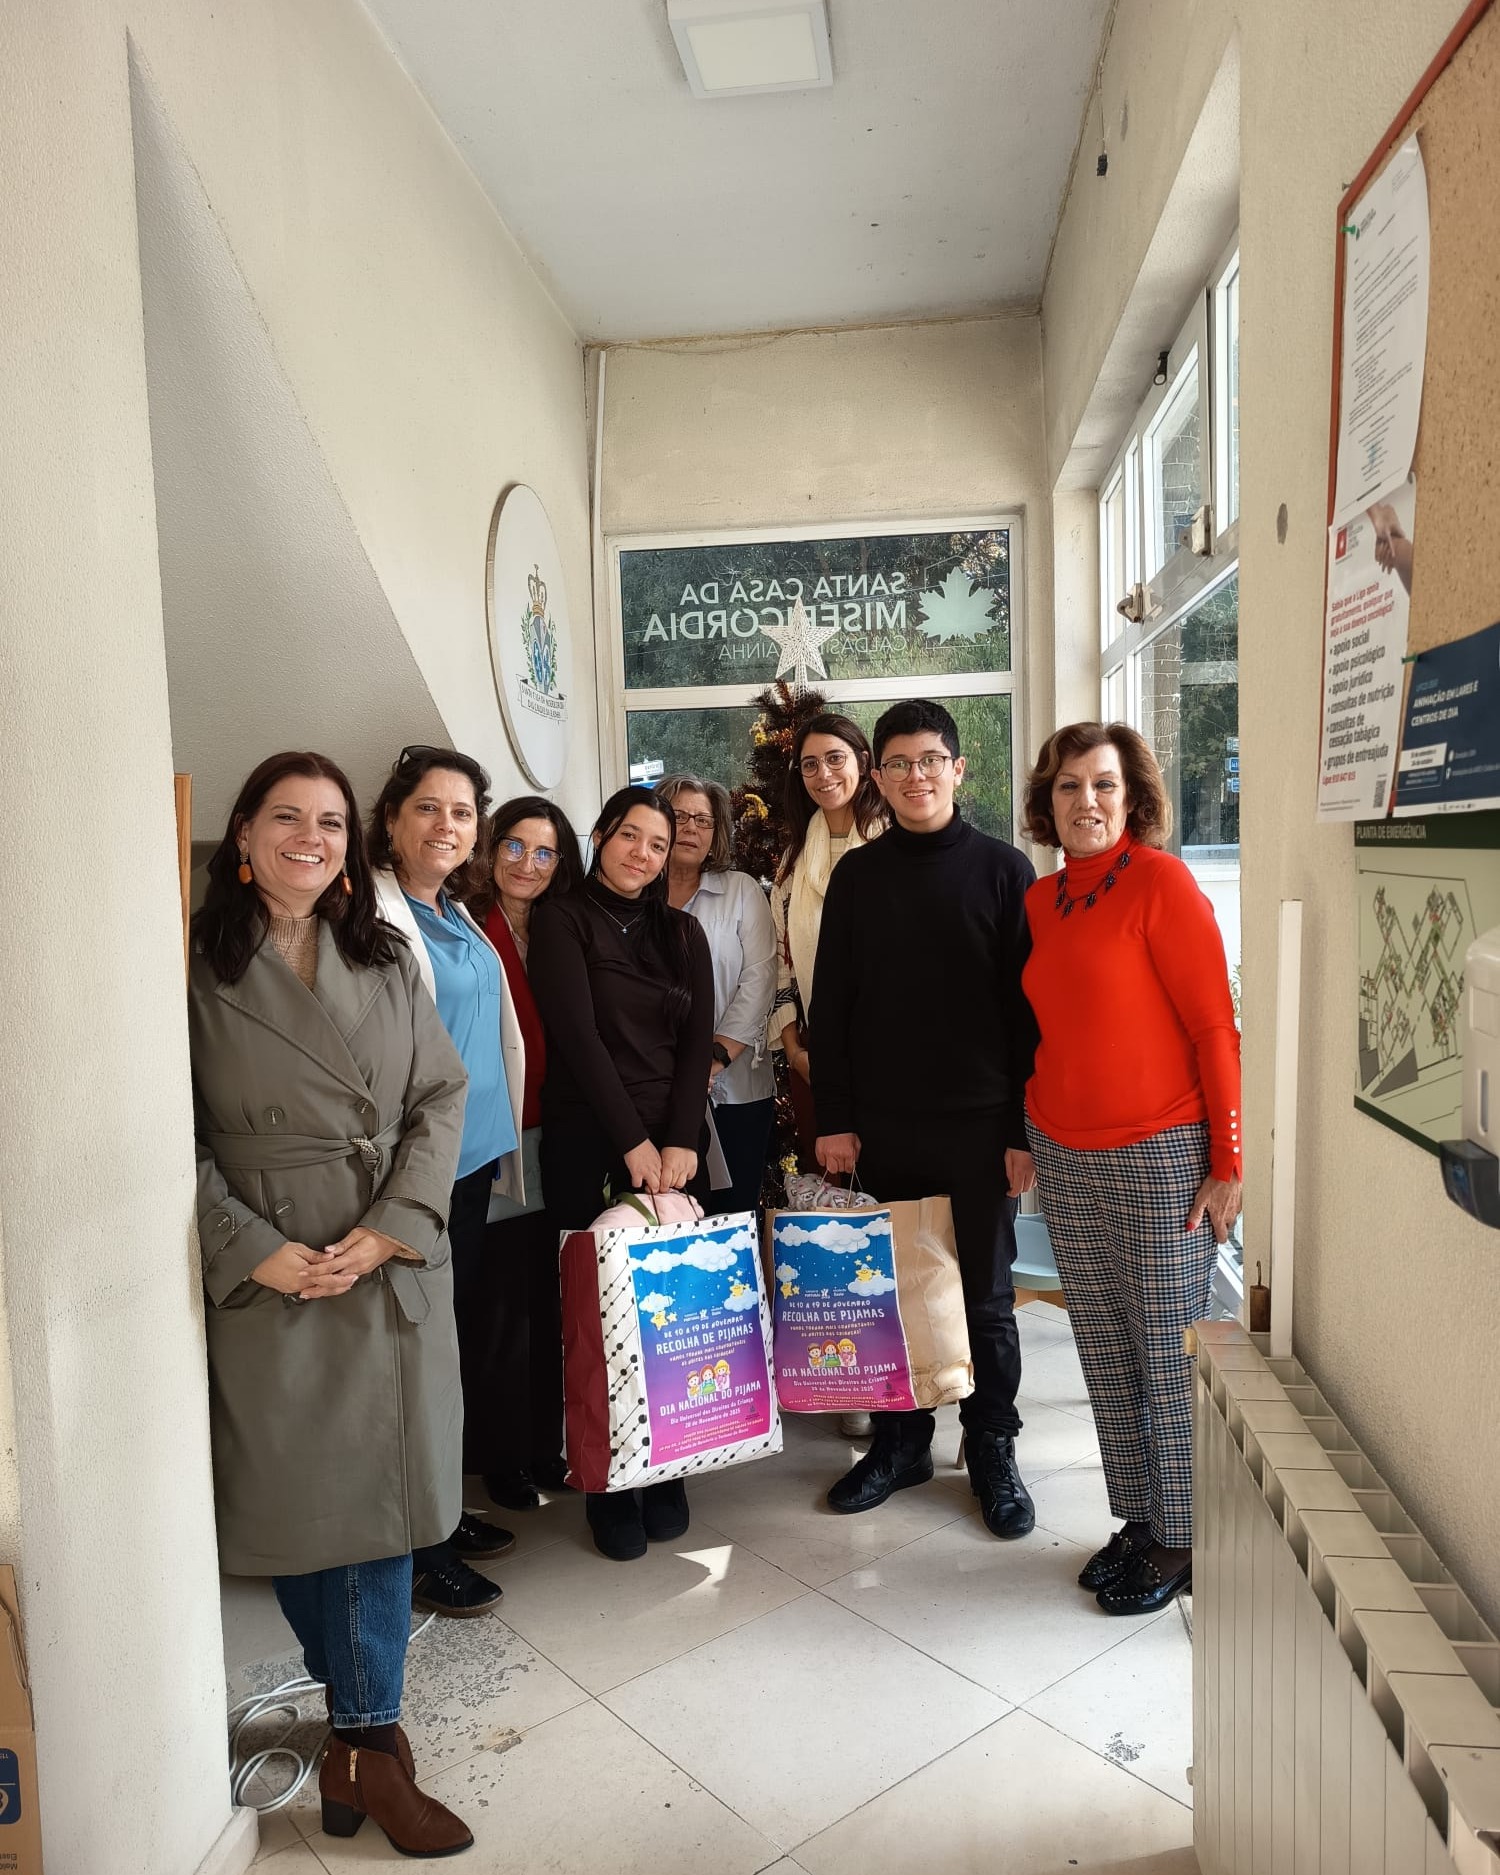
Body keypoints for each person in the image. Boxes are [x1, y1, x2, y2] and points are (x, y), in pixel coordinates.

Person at [189, 751, 473, 1856]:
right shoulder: (192, 966)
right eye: (287, 817)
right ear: (245, 834)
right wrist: (252, 1248)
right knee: (308, 1516)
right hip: (279, 1272)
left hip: (384, 1261)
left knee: (382, 1511)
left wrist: (395, 1222)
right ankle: (365, 1740)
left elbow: (439, 1092)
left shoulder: (382, 953)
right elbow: (167, 1133)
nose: (311, 837)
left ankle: (365, 1739)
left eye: (332, 821)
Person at [1021, 721, 1242, 1615]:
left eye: (1104, 784)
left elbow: (1214, 1027)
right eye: (1069, 785)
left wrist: (1229, 1159)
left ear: (1133, 796)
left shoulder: (1162, 882)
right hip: (1064, 1152)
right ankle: (1141, 1518)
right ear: (1048, 801)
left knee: (1164, 1350)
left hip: (1160, 1153)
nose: (1087, 801)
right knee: (1106, 1350)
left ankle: (1185, 1538)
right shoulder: (1042, 901)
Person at [811, 699, 1040, 1540]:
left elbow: (1029, 1015)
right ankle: (902, 1442)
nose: (917, 776)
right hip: (883, 1127)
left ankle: (992, 1445)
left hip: (981, 1125)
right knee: (890, 1293)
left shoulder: (1005, 870)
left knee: (987, 1298)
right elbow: (831, 1005)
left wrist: (1021, 1130)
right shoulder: (858, 877)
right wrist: (835, 1118)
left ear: (958, 768)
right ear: (878, 776)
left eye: (931, 759)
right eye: (900, 762)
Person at [528, 786, 714, 1562]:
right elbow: (578, 1038)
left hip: (673, 1151)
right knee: (596, 1322)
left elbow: (696, 1041)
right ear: (601, 835)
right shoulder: (562, 919)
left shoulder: (683, 931)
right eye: (630, 835)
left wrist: (681, 1141)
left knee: (671, 1314)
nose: (643, 852)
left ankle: (667, 1464)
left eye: (658, 843)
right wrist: (632, 1142)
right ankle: (608, 1480)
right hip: (590, 1139)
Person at [369, 745, 520, 1618]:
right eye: (428, 807)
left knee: (447, 1350)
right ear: (391, 818)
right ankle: (421, 1549)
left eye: (462, 812)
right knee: (417, 1361)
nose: (446, 825)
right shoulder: (370, 916)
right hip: (419, 1173)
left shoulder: (454, 909)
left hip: (471, 1165)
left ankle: (441, 1510)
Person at [463, 793, 585, 1512]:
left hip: (559, 1137)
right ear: (489, 846)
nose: (527, 864)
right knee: (501, 1304)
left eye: (544, 852)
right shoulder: (467, 921)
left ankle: (544, 1443)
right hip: (496, 1137)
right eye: (514, 845)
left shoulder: (564, 925)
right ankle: (502, 1454)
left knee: (549, 1297)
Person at [768, 712, 886, 1440]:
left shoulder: (895, 843)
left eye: (835, 758)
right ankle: (854, 1378)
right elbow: (783, 962)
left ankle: (921, 1365)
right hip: (819, 1060)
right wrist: (792, 1043)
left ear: (863, 762)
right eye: (810, 764)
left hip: (896, 1064)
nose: (824, 774)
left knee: (899, 1207)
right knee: (836, 1214)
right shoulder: (792, 863)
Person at [657, 772, 777, 1216]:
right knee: (668, 1217)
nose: (690, 828)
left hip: (735, 1090)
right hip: (655, 1090)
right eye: (678, 816)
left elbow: (760, 981)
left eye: (703, 820)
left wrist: (711, 1061)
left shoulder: (741, 891)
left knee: (733, 1216)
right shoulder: (635, 893)